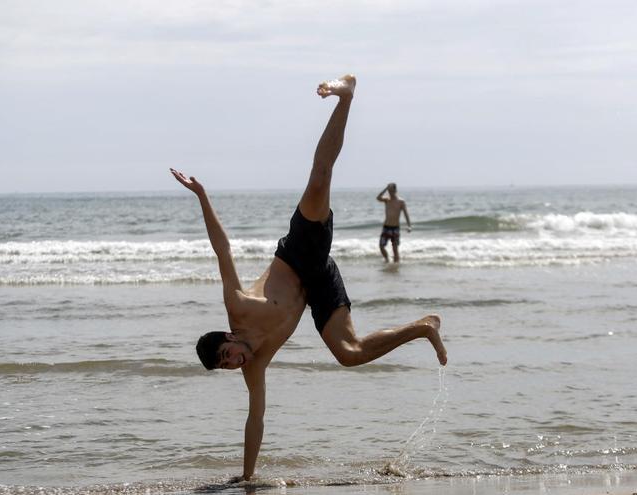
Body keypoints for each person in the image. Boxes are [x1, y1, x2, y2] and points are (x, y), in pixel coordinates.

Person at [169, 74, 447, 482]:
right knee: (349, 353)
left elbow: (222, 250)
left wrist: (202, 196)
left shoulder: (238, 307)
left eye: (227, 356)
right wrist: (247, 477)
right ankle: (423, 327)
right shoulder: (254, 367)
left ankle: (345, 94)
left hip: (297, 253)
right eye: (227, 367)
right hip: (319, 282)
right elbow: (255, 419)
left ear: (228, 338)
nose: (234, 364)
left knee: (319, 177)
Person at [376, 183, 412, 263]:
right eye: (389, 191)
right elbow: (378, 198)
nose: (390, 193)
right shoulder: (387, 200)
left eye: (392, 191)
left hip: (395, 228)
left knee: (395, 248)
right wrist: (386, 188)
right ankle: (387, 259)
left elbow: (406, 214)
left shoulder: (401, 201)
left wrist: (409, 226)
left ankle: (396, 265)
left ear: (395, 190)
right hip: (386, 227)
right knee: (381, 246)